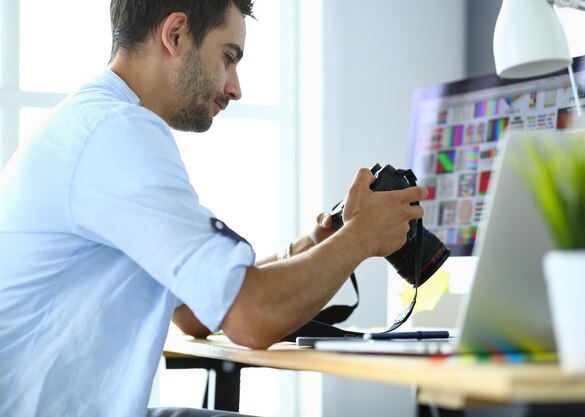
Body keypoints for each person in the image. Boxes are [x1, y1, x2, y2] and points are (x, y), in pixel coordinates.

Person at [0, 1, 427, 416]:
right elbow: (250, 319)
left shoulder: (91, 123)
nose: (235, 88)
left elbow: (196, 312)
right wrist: (361, 238)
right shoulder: (117, 132)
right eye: (228, 58)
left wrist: (315, 244)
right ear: (176, 34)